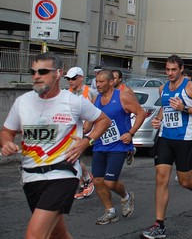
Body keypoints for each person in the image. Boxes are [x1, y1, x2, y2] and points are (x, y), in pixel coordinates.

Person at [0, 53, 111, 239]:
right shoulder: (22, 102)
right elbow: (6, 131)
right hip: (31, 176)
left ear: (58, 73)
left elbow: (103, 121)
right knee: (57, 234)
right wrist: (6, 143)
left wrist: (87, 141)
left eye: (43, 71)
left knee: (34, 235)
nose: (36, 76)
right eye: (33, 72)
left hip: (63, 173)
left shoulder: (73, 101)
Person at [142, 55, 192, 239]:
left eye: (173, 70)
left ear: (181, 69)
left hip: (184, 139)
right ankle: (159, 225)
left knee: (184, 180)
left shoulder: (190, 88)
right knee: (161, 179)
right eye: (167, 69)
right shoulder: (162, 88)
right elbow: (165, 108)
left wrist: (185, 108)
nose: (170, 73)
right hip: (165, 137)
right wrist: (158, 119)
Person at [90, 69, 145, 225]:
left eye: (101, 82)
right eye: (96, 81)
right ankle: (110, 212)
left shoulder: (122, 96)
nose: (98, 84)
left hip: (119, 145)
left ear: (111, 82)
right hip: (100, 145)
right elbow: (89, 123)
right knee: (98, 181)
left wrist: (131, 132)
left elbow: (141, 113)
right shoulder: (95, 100)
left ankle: (126, 196)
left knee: (109, 182)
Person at [64, 66, 98, 200]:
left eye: (73, 78)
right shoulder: (67, 93)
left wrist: (90, 127)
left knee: (73, 157)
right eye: (68, 79)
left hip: (86, 130)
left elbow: (97, 112)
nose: (71, 81)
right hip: (72, 130)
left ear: (81, 78)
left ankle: (85, 180)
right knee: (70, 157)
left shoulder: (90, 92)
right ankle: (85, 179)